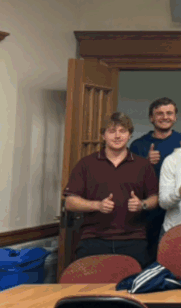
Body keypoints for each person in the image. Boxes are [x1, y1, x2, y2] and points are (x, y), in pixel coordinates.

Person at [64, 112, 158, 267]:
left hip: (134, 240)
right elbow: (70, 202)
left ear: (129, 135)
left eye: (122, 131)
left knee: (133, 289)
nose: (117, 136)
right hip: (93, 240)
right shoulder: (86, 164)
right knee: (89, 290)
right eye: (112, 131)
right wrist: (97, 205)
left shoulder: (143, 165)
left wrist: (142, 204)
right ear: (103, 136)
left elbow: (155, 198)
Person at [129, 97, 181, 260]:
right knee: (148, 257)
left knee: (177, 256)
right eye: (159, 114)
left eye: (169, 113)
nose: (165, 117)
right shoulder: (138, 145)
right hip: (148, 212)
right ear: (151, 118)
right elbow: (129, 179)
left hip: (178, 208)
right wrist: (146, 163)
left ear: (175, 117)